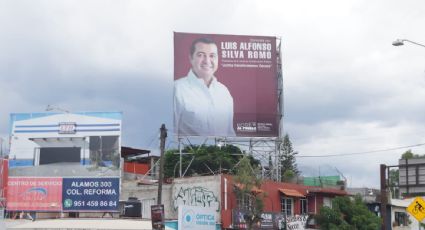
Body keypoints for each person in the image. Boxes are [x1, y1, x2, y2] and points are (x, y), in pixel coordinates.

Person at [174, 37, 235, 136]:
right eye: (200, 55)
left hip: (222, 152)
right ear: (191, 58)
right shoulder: (177, 89)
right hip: (188, 151)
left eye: (212, 56)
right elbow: (170, 133)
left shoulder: (224, 92)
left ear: (217, 59)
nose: (207, 61)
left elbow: (230, 133)